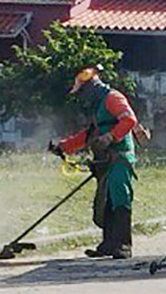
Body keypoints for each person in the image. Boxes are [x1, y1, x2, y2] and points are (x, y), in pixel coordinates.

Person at [51, 65, 140, 259]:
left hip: (120, 157)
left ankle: (124, 245)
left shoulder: (112, 98)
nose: (82, 97)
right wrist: (64, 146)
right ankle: (109, 244)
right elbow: (89, 135)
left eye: (82, 92)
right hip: (105, 160)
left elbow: (129, 120)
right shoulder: (98, 106)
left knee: (120, 198)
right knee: (105, 202)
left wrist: (110, 137)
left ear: (91, 87)